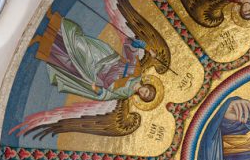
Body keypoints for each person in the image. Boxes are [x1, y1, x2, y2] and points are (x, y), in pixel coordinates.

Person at [29, 9, 157, 105]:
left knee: (71, 60)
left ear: (141, 97)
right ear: (147, 86)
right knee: (78, 42)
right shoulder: (137, 72)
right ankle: (52, 17)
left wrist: (98, 91)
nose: (143, 92)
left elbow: (109, 95)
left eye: (144, 96)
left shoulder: (126, 93)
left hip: (97, 73)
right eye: (146, 91)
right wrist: (146, 48)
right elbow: (131, 49)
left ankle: (40, 40)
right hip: (105, 57)